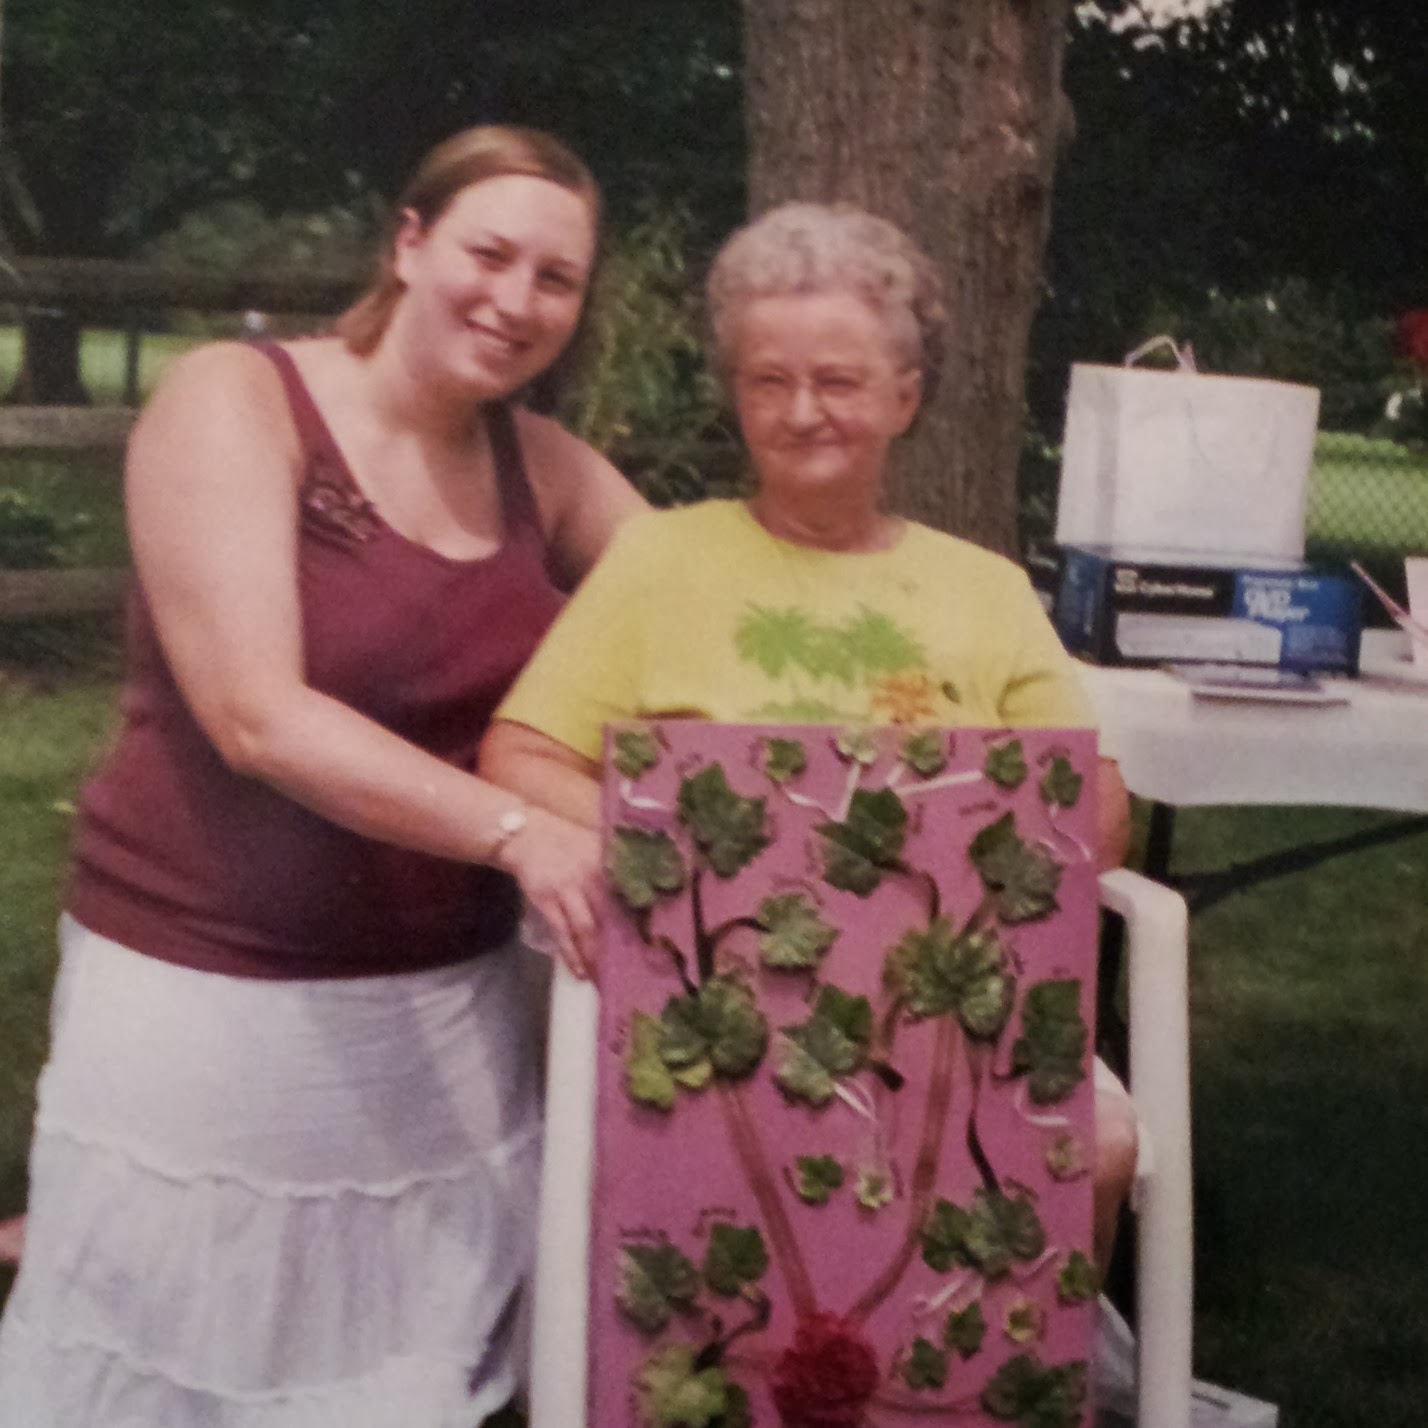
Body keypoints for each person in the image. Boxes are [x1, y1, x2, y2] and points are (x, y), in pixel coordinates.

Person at [0, 125, 643, 1426]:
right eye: (489, 254)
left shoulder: (549, 471)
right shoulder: (234, 401)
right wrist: (521, 829)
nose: (514, 300)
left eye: (556, 279)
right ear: (409, 242)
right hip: (212, 1007)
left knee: (407, 1377)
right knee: (176, 1368)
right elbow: (257, 715)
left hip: (443, 1025)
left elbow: (711, 604)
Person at [480, 201, 1138, 1276]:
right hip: (712, 996)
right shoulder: (657, 561)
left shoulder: (985, 589)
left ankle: (1008, 1354)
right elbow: (521, 760)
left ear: (903, 398)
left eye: (837, 382)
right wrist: (690, 844)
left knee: (1098, 1144)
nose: (801, 412)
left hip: (940, 1006)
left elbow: (1096, 813)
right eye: (768, 382)